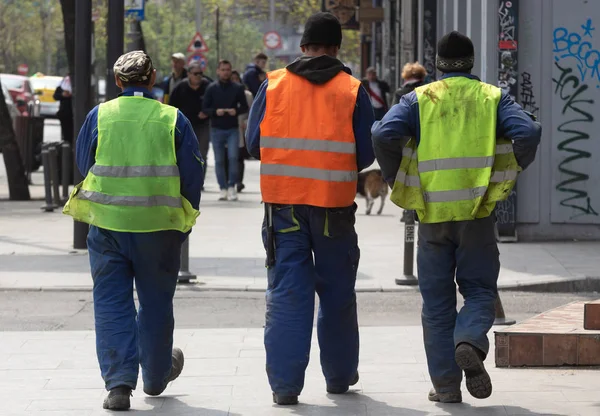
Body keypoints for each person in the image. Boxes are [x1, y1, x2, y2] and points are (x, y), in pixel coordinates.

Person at [371, 31, 541, 404]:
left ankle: (446, 387)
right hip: (477, 213)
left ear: (437, 66)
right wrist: (508, 172)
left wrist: (395, 177)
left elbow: (383, 134)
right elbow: (527, 131)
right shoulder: (493, 97)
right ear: (471, 62)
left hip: (431, 214)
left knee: (436, 303)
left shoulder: (419, 99)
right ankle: (469, 341)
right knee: (479, 290)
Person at [62, 50, 204, 411]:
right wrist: (181, 224)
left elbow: (83, 162)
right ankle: (156, 377)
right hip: (159, 228)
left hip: (108, 228)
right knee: (156, 304)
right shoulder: (173, 119)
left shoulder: (101, 116)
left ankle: (119, 386)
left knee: (111, 303)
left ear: (118, 82)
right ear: (153, 79)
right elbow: (192, 176)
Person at [246, 12, 375, 406]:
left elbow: (253, 144)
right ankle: (338, 378)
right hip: (334, 209)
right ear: (337, 48)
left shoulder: (274, 85)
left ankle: (285, 387)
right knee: (337, 293)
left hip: (283, 208)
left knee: (288, 294)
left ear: (302, 48)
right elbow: (366, 153)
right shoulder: (353, 90)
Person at [202, 60, 249, 201]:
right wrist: (216, 112)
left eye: (228, 69)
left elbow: (245, 107)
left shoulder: (237, 88)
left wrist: (236, 110)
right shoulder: (211, 88)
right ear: (218, 71)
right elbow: (205, 108)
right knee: (219, 160)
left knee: (233, 158)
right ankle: (222, 188)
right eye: (223, 69)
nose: (225, 72)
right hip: (216, 128)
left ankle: (231, 186)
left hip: (232, 128)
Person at [169, 61, 211, 186]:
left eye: (200, 73)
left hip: (202, 125)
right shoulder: (180, 87)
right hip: (184, 126)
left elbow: (216, 102)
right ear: (188, 74)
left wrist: (207, 112)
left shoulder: (208, 86)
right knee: (184, 153)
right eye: (195, 73)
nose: (198, 76)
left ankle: (199, 181)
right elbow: (171, 106)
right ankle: (185, 181)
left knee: (202, 154)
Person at [230, 70, 254, 192]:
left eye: (236, 78)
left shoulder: (247, 95)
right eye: (232, 78)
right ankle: (230, 181)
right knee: (229, 156)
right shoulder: (225, 93)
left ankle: (239, 181)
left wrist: (247, 123)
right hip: (228, 127)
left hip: (242, 128)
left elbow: (252, 112)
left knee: (239, 156)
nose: (234, 81)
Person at [53, 74, 73, 145]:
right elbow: (55, 96)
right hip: (64, 113)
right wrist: (62, 95)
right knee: (65, 133)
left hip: (73, 114)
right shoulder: (61, 86)